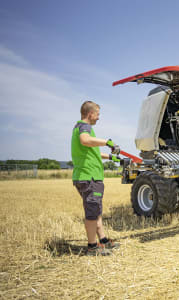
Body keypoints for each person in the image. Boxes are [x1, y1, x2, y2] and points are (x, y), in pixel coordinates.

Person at [71, 100, 121, 256]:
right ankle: (92, 247)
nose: (98, 118)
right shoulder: (84, 127)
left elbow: (93, 153)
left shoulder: (81, 129)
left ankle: (103, 240)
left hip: (87, 176)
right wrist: (107, 142)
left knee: (96, 210)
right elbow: (85, 141)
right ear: (90, 113)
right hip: (89, 177)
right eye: (97, 114)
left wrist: (112, 157)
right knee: (92, 213)